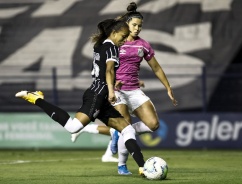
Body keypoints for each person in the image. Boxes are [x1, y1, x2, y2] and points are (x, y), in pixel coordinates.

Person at [15, 18, 145, 176]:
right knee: (73, 127)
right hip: (97, 95)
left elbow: (103, 71)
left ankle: (143, 167)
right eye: (123, 37)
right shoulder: (111, 48)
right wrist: (111, 90)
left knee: (128, 130)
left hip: (100, 94)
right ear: (114, 32)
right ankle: (36, 98)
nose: (124, 40)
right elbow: (109, 70)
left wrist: (113, 84)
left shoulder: (100, 45)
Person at [71, 2, 177, 175]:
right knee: (125, 126)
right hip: (116, 90)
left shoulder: (143, 45)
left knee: (153, 124)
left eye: (140, 26)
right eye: (134, 25)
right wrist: (111, 88)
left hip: (133, 90)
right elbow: (107, 68)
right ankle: (122, 165)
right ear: (125, 25)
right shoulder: (114, 43)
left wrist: (168, 87)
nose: (137, 29)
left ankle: (118, 133)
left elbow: (156, 67)